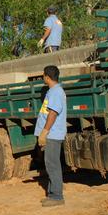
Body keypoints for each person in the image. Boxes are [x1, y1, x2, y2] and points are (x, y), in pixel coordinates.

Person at [34, 65, 67, 207]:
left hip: (53, 134)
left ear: (47, 77)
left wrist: (45, 131)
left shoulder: (56, 92)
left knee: (52, 164)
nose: (43, 77)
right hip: (51, 134)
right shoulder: (53, 91)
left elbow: (52, 114)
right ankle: (52, 193)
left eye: (43, 75)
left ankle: (57, 197)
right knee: (50, 164)